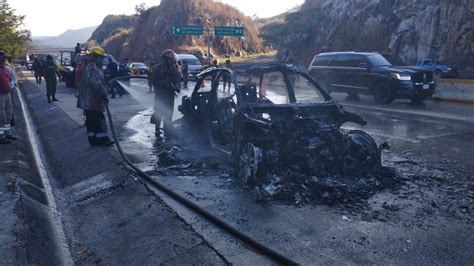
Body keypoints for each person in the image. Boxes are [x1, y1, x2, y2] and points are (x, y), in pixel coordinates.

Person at [76, 46, 114, 146]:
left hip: (90, 101)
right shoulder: (92, 68)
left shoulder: (94, 67)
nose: (102, 59)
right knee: (99, 121)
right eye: (101, 57)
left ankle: (93, 140)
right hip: (92, 100)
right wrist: (104, 94)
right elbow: (96, 83)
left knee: (91, 122)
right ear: (95, 57)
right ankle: (102, 139)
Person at [150, 49, 181, 140]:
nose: (172, 61)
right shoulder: (158, 68)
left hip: (170, 95)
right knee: (160, 112)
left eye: (172, 59)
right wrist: (165, 85)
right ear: (165, 59)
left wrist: (176, 86)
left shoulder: (173, 68)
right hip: (160, 95)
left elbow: (177, 79)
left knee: (169, 112)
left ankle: (167, 130)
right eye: (170, 60)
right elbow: (154, 81)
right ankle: (157, 129)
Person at [0, 51, 15, 144]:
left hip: (7, 93)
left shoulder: (6, 69)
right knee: (1, 115)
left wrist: (10, 86)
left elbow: (12, 80)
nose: (3, 59)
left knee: (9, 113)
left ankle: (7, 133)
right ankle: (1, 136)